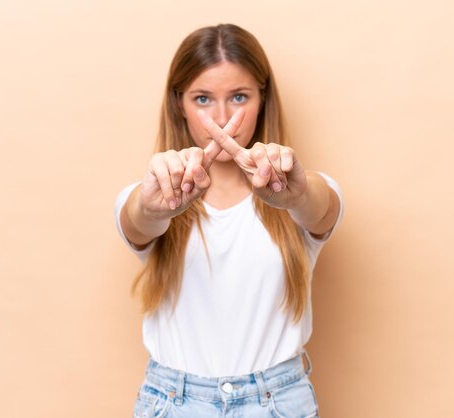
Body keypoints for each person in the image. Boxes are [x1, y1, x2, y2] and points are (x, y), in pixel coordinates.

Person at [115, 23, 344, 418]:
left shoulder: (300, 192)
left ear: (263, 100)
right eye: (203, 99)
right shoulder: (151, 197)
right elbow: (138, 218)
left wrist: (298, 194)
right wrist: (155, 207)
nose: (221, 119)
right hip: (174, 404)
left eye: (238, 97)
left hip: (279, 403)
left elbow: (320, 206)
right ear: (178, 105)